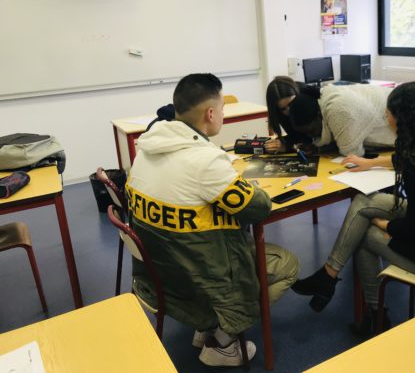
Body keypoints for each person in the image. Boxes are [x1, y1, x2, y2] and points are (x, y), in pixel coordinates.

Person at [291, 81, 415, 336]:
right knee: (365, 200)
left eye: (388, 113)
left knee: (366, 236)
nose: (385, 117)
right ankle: (328, 275)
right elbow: (405, 164)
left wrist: (385, 225)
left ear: (403, 118)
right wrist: (370, 162)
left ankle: (375, 315)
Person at [126, 73, 299, 367]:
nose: (222, 114)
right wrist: (247, 186)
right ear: (210, 113)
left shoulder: (145, 149)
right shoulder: (204, 161)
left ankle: (205, 325)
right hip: (200, 277)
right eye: (221, 109)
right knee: (289, 265)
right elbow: (258, 208)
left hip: (162, 275)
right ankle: (223, 338)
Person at [288, 84, 396, 156]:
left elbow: (353, 154)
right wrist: (317, 147)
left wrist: (321, 148)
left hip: (401, 120)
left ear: (318, 114)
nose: (310, 136)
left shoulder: (338, 110)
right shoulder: (324, 97)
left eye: (311, 131)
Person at [264, 76, 312, 154]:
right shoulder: (279, 113)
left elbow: (312, 139)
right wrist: (282, 143)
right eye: (283, 109)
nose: (290, 111)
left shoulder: (308, 95)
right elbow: (296, 137)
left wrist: (287, 146)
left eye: (292, 104)